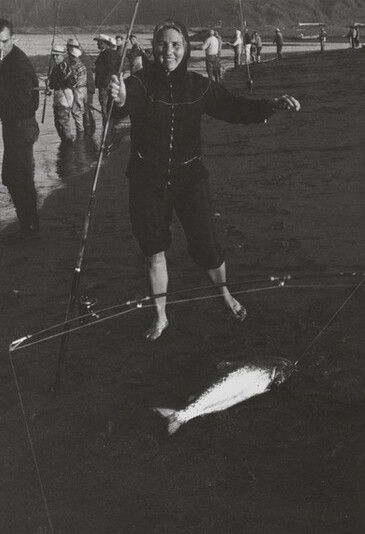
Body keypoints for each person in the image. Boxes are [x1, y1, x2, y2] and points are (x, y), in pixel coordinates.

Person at [107, 20, 301, 340]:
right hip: (147, 179)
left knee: (208, 246)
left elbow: (233, 107)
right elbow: (124, 104)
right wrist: (118, 98)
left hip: (189, 177)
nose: (168, 51)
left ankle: (224, 294)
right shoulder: (140, 81)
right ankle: (160, 316)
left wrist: (270, 105)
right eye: (162, 44)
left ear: (185, 49)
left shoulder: (199, 86)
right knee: (154, 249)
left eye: (176, 45)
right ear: (154, 48)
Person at [0, 18, 41, 242]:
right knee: (13, 177)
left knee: (19, 178)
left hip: (22, 126)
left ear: (14, 38)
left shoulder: (18, 63)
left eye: (5, 41)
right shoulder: (0, 58)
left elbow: (25, 102)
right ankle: (27, 224)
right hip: (12, 126)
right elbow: (9, 96)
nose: (0, 46)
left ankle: (29, 227)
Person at [48, 44, 76, 143]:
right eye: (53, 55)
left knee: (63, 120)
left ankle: (68, 141)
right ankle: (65, 140)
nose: (55, 57)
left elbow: (67, 81)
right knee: (57, 122)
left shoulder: (65, 66)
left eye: (57, 55)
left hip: (65, 95)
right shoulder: (56, 68)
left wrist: (54, 84)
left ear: (63, 56)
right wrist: (49, 86)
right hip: (58, 95)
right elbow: (52, 84)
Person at [94, 33, 122, 130]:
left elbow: (107, 69)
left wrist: (97, 69)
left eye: (99, 42)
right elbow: (119, 68)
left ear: (104, 43)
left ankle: (106, 130)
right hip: (114, 84)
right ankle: (111, 129)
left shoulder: (105, 54)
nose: (97, 44)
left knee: (105, 109)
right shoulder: (115, 53)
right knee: (112, 107)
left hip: (105, 85)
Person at [66, 38, 88, 137]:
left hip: (78, 90)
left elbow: (74, 80)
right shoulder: (82, 65)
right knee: (82, 110)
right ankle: (84, 130)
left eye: (71, 56)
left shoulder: (75, 66)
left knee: (76, 111)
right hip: (83, 90)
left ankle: (80, 132)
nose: (70, 57)